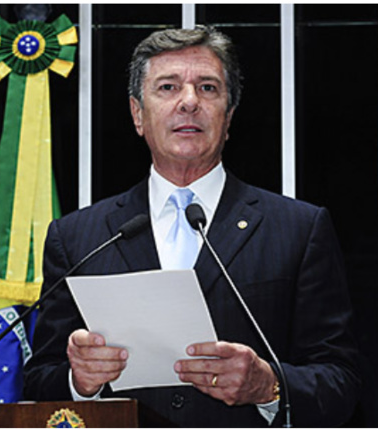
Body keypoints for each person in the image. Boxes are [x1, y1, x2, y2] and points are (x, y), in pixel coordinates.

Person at [23, 26, 360, 427]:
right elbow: (39, 380)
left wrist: (268, 385)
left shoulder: (299, 230)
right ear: (137, 114)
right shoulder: (78, 238)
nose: (189, 102)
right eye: (167, 87)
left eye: (207, 88)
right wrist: (80, 381)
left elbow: (341, 381)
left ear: (228, 117)